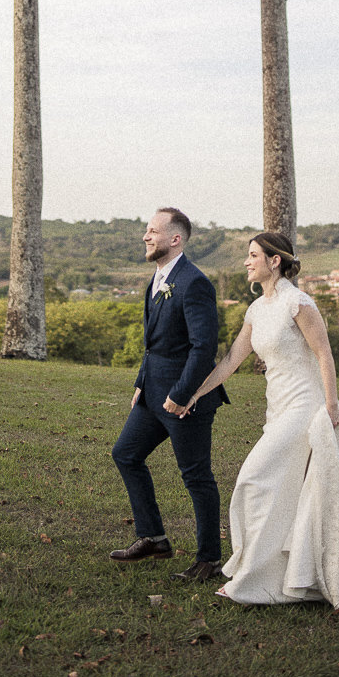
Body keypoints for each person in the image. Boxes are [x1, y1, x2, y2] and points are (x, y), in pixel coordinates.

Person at [166, 231, 339, 611]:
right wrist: (193, 394)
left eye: (253, 255)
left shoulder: (298, 303)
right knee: (282, 492)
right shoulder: (256, 311)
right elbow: (229, 362)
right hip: (277, 410)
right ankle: (283, 577)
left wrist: (332, 407)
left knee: (254, 479)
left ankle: (251, 578)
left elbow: (324, 355)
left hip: (305, 408)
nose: (246, 261)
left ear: (274, 261)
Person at [111, 207, 228, 581]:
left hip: (186, 400)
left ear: (174, 239)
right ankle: (153, 537)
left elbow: (203, 348)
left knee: (196, 476)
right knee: (126, 454)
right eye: (146, 231)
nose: (145, 237)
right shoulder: (157, 278)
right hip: (153, 395)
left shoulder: (194, 283)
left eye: (152, 231)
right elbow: (154, 345)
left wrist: (181, 394)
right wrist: (141, 383)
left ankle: (209, 559)